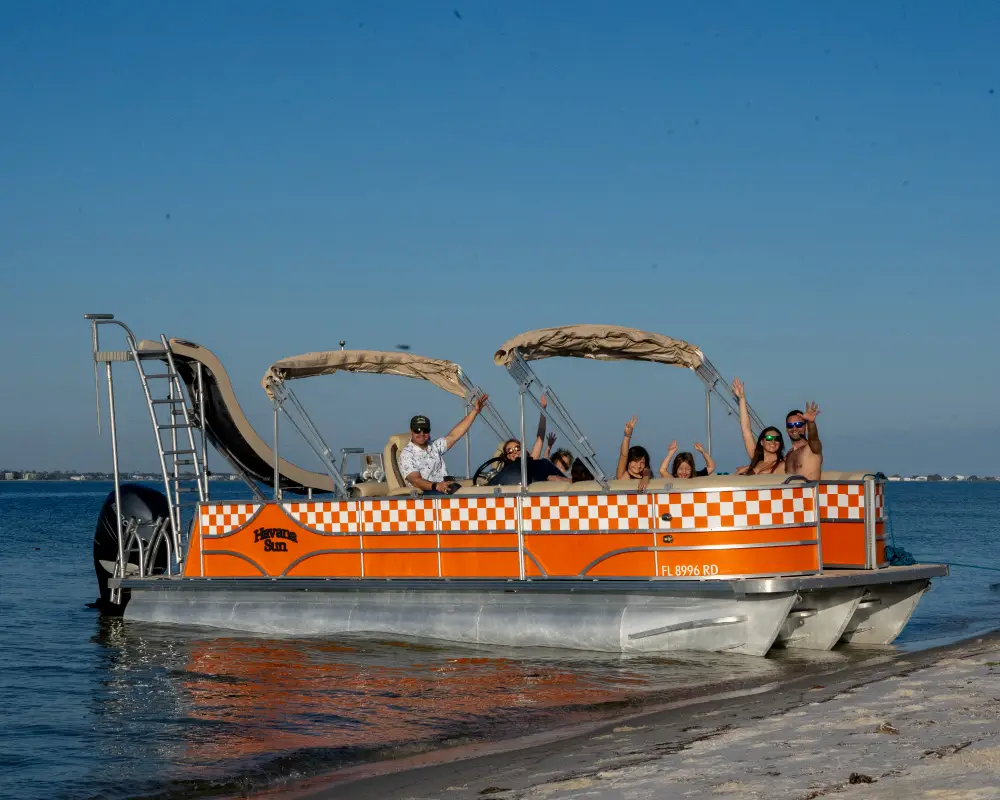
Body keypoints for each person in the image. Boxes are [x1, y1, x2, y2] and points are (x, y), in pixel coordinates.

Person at [398, 394, 488, 494]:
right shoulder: (407, 454)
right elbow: (415, 480)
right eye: (417, 430)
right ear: (411, 431)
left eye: (425, 430)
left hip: (444, 487)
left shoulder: (434, 446)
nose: (421, 433)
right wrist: (436, 486)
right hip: (426, 493)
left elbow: (454, 435)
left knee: (477, 490)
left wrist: (475, 412)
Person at [731, 378, 785, 475]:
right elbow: (746, 430)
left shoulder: (784, 464)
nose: (773, 441)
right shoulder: (756, 459)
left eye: (776, 438)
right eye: (769, 438)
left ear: (780, 442)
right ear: (762, 442)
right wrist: (742, 398)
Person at [784, 403, 823, 480]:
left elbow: (814, 438)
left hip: (810, 491)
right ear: (786, 429)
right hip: (790, 491)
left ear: (805, 426)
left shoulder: (811, 449)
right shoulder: (788, 454)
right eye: (790, 425)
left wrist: (811, 422)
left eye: (798, 424)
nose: (794, 428)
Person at [616, 416, 652, 491]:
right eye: (635, 461)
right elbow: (624, 455)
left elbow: (647, 469)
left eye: (642, 462)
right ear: (628, 461)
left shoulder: (647, 474)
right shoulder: (623, 475)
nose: (638, 465)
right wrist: (627, 436)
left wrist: (645, 477)